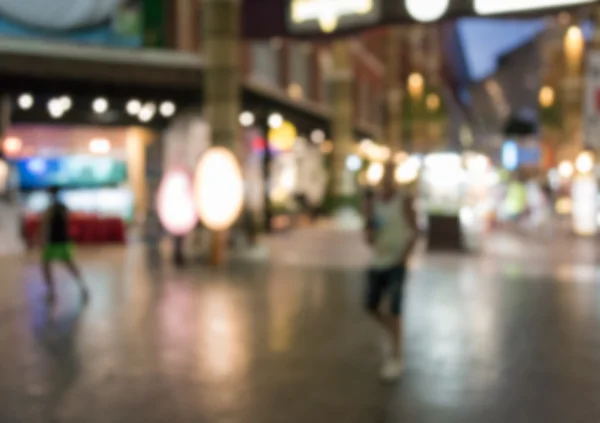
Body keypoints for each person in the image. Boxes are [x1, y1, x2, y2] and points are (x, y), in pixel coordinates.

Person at [364, 162, 418, 381]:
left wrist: (405, 255)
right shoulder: (373, 201)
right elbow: (368, 234)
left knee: (395, 308)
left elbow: (415, 229)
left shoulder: (403, 200)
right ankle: (391, 334)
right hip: (378, 261)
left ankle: (396, 355)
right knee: (371, 305)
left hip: (396, 262)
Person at [39, 186, 88, 303]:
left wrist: (41, 239)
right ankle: (83, 287)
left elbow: (45, 226)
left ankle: (52, 292)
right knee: (69, 265)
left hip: (53, 242)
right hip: (63, 241)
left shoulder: (50, 209)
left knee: (47, 266)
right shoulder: (63, 208)